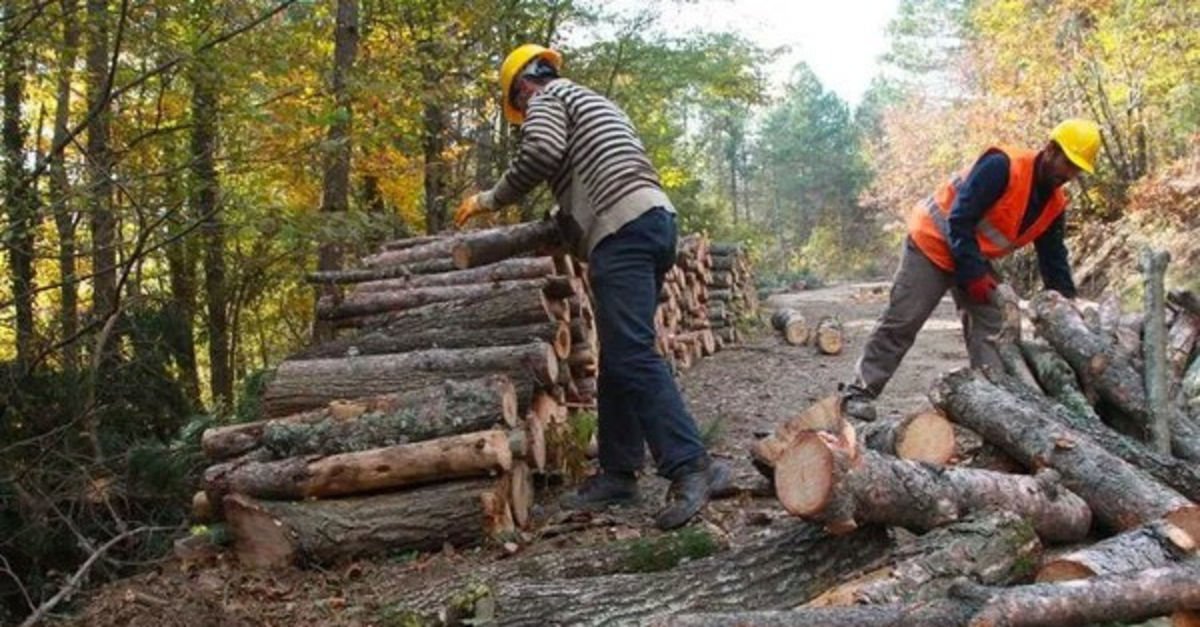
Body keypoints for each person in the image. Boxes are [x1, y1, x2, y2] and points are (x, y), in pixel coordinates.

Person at [454, 44, 730, 530]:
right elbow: (590, 170)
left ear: (522, 87)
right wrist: (563, 218)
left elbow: (540, 151)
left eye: (519, 104)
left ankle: (692, 466)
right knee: (621, 355)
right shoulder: (593, 102)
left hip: (622, 231)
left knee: (632, 354)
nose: (524, 112)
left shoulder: (545, 98)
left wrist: (490, 198)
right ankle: (619, 473)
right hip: (654, 221)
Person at [841, 119, 1102, 421]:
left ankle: (994, 405)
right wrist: (974, 274)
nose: (1069, 174)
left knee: (994, 326)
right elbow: (960, 218)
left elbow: (1053, 257)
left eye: (1076, 169)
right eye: (1067, 164)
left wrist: (1066, 303)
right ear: (1050, 149)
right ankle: (859, 391)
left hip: (971, 252)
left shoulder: (1054, 204)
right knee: (904, 320)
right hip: (933, 241)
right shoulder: (1002, 166)